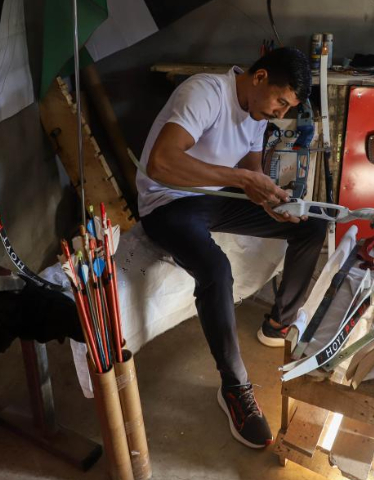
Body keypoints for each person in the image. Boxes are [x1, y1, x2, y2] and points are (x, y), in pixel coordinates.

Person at [137, 47, 326, 449]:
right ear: (259, 77)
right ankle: (234, 388)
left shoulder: (256, 110)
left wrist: (267, 198)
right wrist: (241, 180)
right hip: (168, 202)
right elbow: (161, 163)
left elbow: (250, 167)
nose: (280, 113)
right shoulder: (205, 93)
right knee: (216, 270)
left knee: (311, 224)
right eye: (280, 101)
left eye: (287, 107)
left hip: (214, 197)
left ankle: (278, 324)